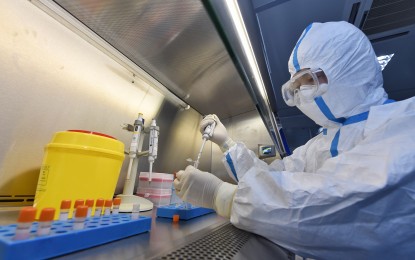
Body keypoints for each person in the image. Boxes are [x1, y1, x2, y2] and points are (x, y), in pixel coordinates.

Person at [174, 21, 415, 259]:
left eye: (307, 81)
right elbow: (273, 178)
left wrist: (222, 196)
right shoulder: (320, 143)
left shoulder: (404, 125)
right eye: (296, 86)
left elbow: (334, 208)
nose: (301, 95)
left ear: (347, 68)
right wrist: (227, 144)